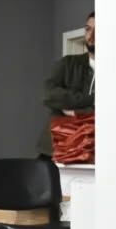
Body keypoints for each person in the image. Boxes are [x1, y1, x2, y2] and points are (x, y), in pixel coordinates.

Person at [40, 11, 95, 156]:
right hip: (55, 148)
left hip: (91, 151)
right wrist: (91, 100)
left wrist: (76, 111)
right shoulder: (68, 63)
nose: (91, 36)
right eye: (88, 29)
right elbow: (48, 95)